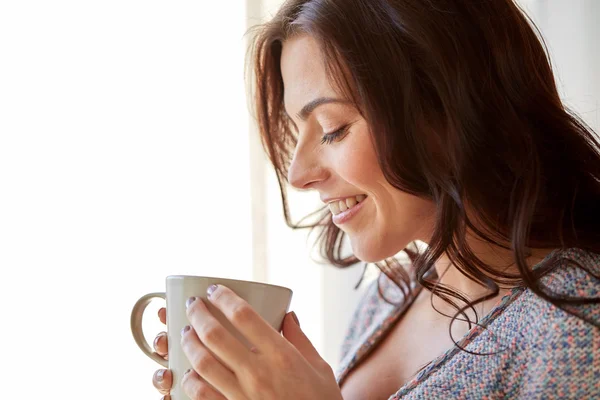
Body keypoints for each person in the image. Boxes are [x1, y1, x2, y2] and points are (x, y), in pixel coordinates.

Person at [150, 0, 600, 398]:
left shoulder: (576, 326)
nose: (298, 175)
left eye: (333, 128)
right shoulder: (388, 296)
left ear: (448, 109)